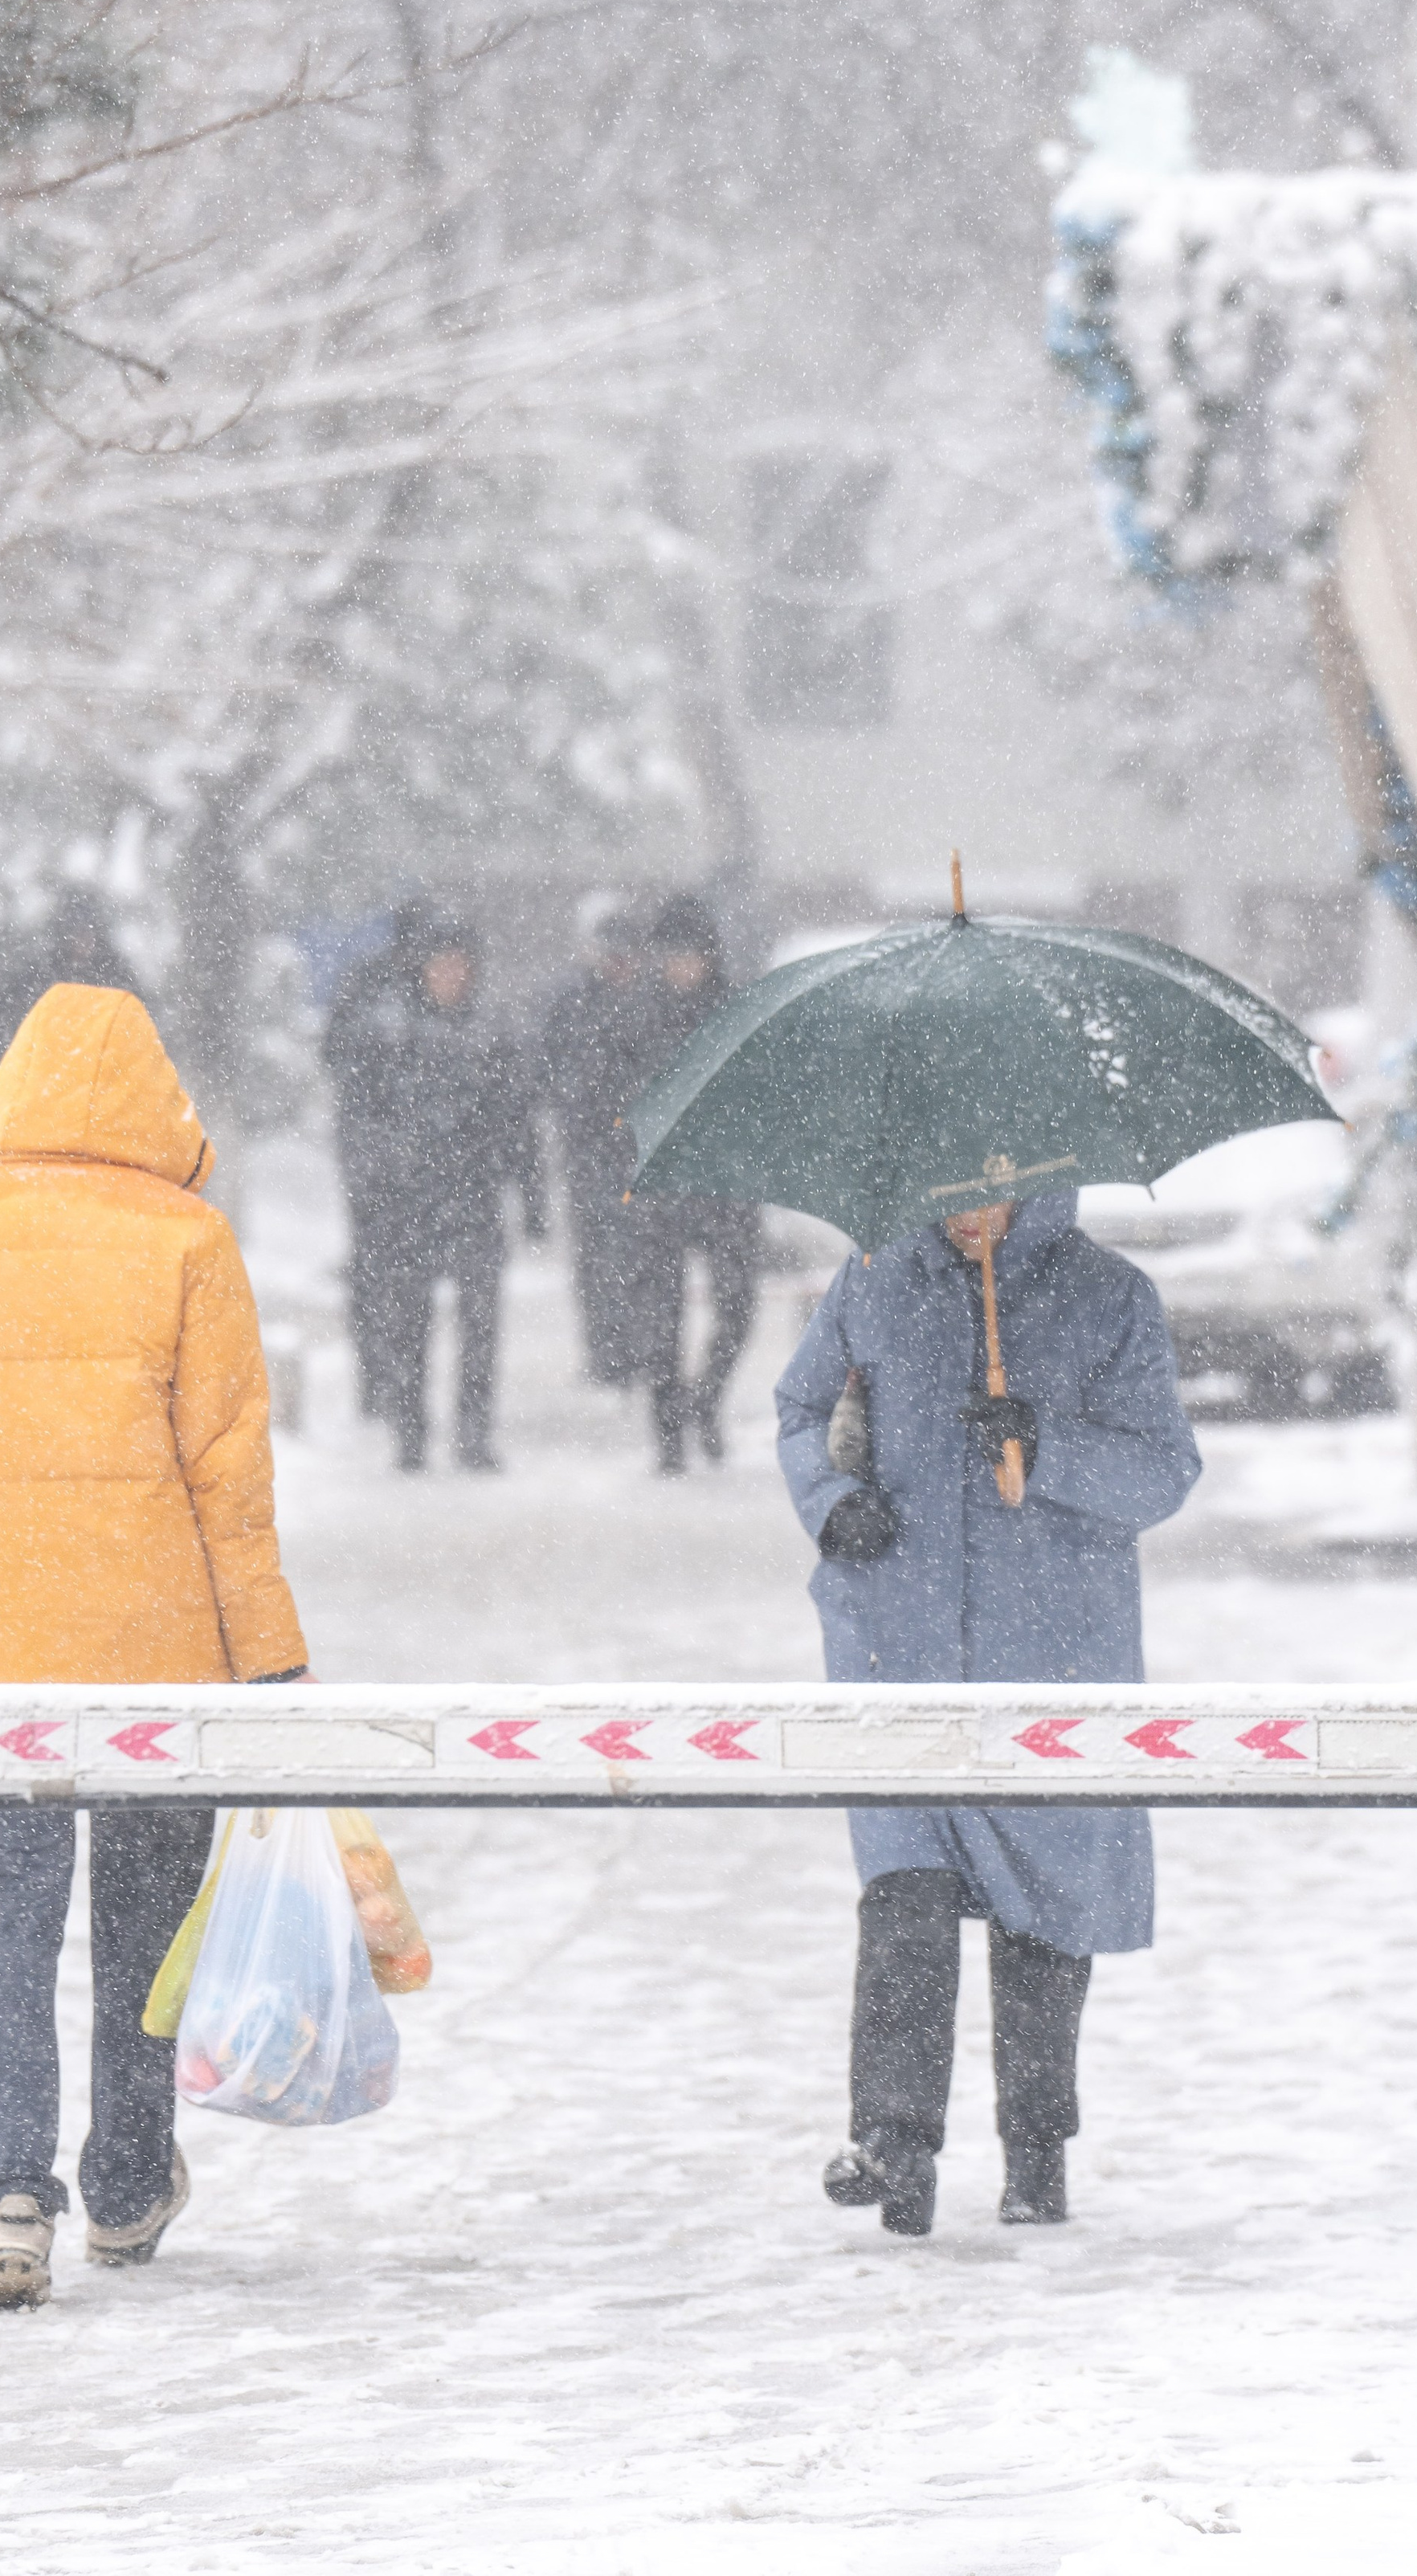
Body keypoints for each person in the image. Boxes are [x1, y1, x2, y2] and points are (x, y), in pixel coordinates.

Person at [0, 982, 311, 2310]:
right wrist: (272, 1666)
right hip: (160, 1660)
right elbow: (230, 1483)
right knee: (146, 1930)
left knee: (11, 1931)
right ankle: (128, 2177)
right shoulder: (190, 1242)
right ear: (159, 1104)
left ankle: (13, 2196)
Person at [775, 1184, 1200, 2236]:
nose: (968, 1213)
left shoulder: (1110, 1298)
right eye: (948, 1194)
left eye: (992, 1194)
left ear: (1038, 1179)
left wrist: (1048, 1445)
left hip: (1053, 1655)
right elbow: (800, 1410)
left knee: (1045, 1908)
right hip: (898, 1641)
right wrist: (835, 1507)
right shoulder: (873, 1280)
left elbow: (1162, 1471)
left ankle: (1037, 2152)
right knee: (905, 1892)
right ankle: (894, 2146)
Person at [365, 919, 544, 1472]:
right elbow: (368, 1115)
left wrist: (531, 1200)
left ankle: (473, 1432)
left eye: (458, 965)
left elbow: (520, 1124)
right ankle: (411, 1433)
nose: (449, 977)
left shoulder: (494, 1033)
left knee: (480, 1326)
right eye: (439, 965)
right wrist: (379, 1177)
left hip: (476, 1201)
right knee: (409, 1324)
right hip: (410, 1203)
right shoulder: (395, 1033)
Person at [630, 896, 762, 1472]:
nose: (683, 966)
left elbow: (767, 1094)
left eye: (692, 955)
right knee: (661, 1318)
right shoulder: (636, 1017)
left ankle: (704, 1400)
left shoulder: (738, 1012)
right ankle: (667, 1432)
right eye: (673, 955)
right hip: (661, 1187)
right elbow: (609, 1101)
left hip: (728, 1184)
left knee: (738, 1308)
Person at [323, 900, 444, 1421]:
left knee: (398, 1274)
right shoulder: (374, 985)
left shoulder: (423, 990)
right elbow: (337, 1054)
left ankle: (394, 1380)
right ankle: (379, 1378)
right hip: (374, 1154)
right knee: (378, 1271)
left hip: (408, 1157)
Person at [539, 908, 656, 1386]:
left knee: (643, 1253)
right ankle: (606, 1351)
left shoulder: (650, 1003)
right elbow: (547, 1069)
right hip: (589, 1148)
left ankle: (641, 1348)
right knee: (595, 1254)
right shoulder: (571, 1003)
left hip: (640, 1149)